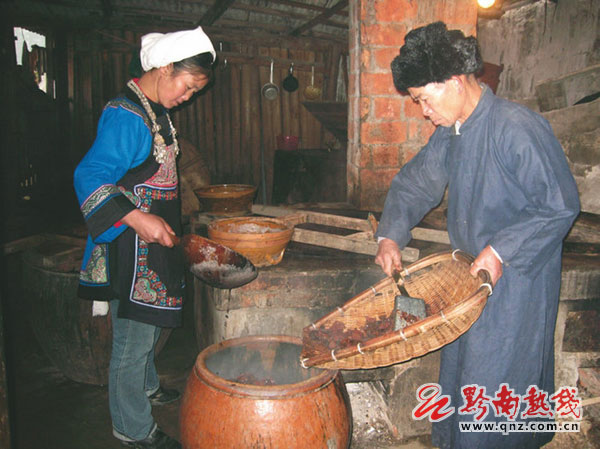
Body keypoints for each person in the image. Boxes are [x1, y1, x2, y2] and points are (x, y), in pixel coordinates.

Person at [374, 22, 580, 449]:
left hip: (517, 282)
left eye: (423, 99)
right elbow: (416, 184)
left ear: (454, 81)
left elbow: (558, 204)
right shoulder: (452, 132)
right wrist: (390, 235)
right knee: (466, 375)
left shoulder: (517, 127)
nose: (423, 111)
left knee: (498, 379)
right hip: (470, 279)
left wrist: (500, 250)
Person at [74, 26, 216, 449]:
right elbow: (90, 175)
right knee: (132, 341)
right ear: (165, 68)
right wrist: (138, 218)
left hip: (152, 244)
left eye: (194, 91)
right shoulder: (127, 116)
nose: (188, 96)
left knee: (149, 329)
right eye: (187, 87)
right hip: (131, 249)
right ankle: (132, 427)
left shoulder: (154, 111)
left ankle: (148, 385)